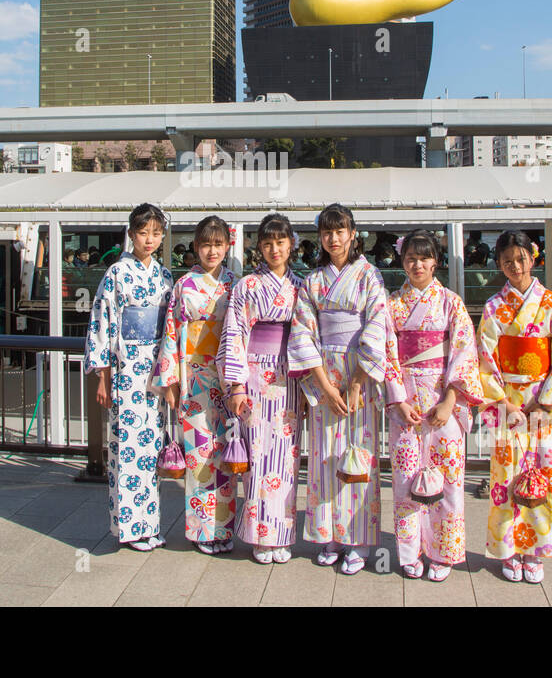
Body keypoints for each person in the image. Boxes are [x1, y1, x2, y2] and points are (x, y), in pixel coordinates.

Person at [287, 203, 391, 575]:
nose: (334, 238)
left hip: (358, 371)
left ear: (352, 234)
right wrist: (324, 386)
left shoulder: (370, 276)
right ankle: (327, 536)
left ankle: (358, 540)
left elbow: (378, 325)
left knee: (358, 454)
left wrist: (359, 380)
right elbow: (302, 332)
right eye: (327, 232)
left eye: (340, 231)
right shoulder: (313, 282)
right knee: (323, 457)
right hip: (324, 375)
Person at [476, 230, 552, 584]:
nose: (515, 266)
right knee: (505, 478)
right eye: (507, 261)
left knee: (543, 476)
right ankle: (508, 550)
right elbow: (484, 360)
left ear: (533, 259)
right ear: (500, 265)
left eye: (521, 259)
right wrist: (503, 401)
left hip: (541, 402)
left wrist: (541, 401)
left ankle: (536, 550)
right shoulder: (493, 307)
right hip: (507, 403)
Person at [386, 230, 483, 581]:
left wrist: (450, 401)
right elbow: (385, 353)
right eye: (410, 258)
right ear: (402, 260)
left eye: (424, 258)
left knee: (448, 480)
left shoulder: (451, 303)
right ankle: (410, 552)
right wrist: (396, 399)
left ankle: (444, 552)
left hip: (444, 400)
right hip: (406, 403)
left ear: (436, 262)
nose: (417, 264)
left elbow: (464, 355)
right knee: (406, 479)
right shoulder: (392, 304)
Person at [84, 203, 174, 552]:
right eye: (143, 233)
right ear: (131, 234)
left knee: (152, 448)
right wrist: (103, 378)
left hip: (155, 368)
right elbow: (102, 326)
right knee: (128, 449)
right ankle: (129, 528)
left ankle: (150, 523)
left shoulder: (164, 277)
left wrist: (171, 373)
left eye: (155, 233)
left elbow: (170, 327)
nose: (149, 240)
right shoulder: (116, 274)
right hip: (125, 368)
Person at [219, 213, 304, 564]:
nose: (274, 249)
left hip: (290, 376)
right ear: (259, 247)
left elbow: (309, 336)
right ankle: (258, 535)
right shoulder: (246, 287)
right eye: (267, 243)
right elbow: (235, 334)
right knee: (256, 455)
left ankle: (282, 535)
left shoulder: (302, 286)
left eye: (280, 242)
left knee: (286, 457)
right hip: (254, 373)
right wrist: (236, 385)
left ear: (291, 245)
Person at [153, 216, 238, 555]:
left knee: (228, 452)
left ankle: (225, 528)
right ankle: (204, 531)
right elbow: (171, 332)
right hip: (194, 375)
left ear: (228, 246)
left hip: (226, 374)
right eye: (206, 244)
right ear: (196, 247)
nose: (212, 251)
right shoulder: (184, 285)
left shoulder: (235, 283)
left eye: (218, 244)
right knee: (200, 455)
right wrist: (170, 381)